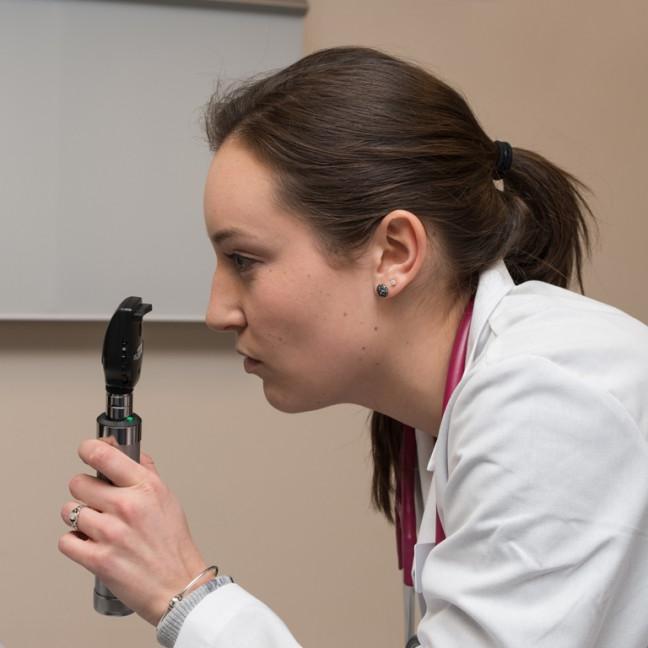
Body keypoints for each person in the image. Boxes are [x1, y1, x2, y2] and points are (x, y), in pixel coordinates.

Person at [59, 46, 648, 647]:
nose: (218, 313)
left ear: (394, 252)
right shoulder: (447, 410)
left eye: (244, 260)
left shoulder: (546, 401)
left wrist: (184, 593)